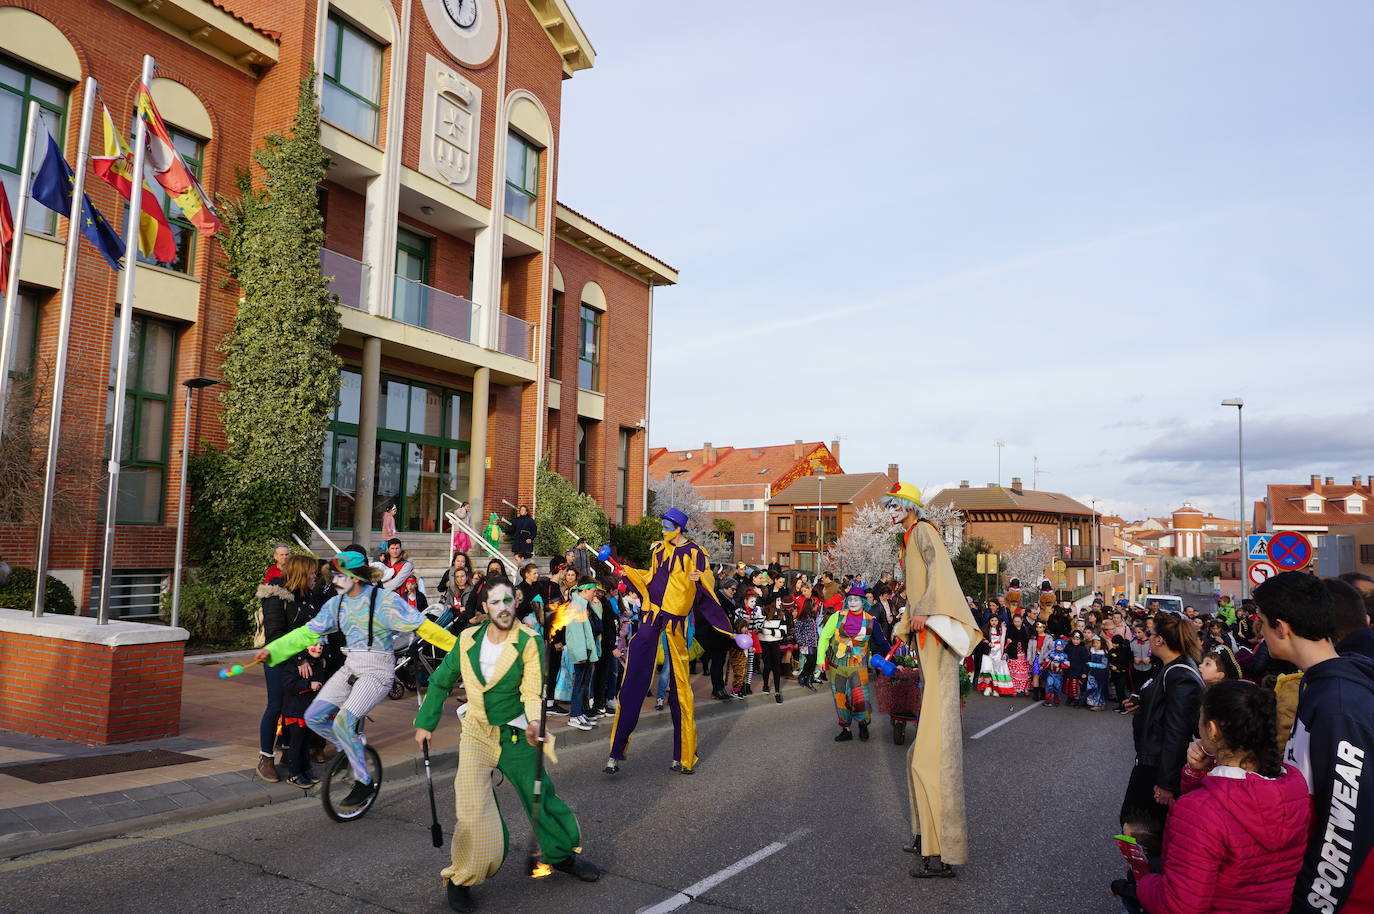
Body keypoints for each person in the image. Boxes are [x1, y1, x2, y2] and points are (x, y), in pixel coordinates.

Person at [415, 578, 599, 912]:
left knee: (540, 797)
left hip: (516, 734)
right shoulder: (467, 639)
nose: (503, 608)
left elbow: (532, 690)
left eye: (509, 601)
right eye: (495, 602)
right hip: (476, 734)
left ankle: (560, 856)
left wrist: (534, 722)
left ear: (516, 603)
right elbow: (441, 680)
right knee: (470, 812)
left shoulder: (529, 641)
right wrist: (425, 723)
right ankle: (461, 877)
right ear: (484, 607)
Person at [254, 550, 457, 807]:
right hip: (351, 666)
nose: (333, 582)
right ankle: (352, 750)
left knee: (342, 723)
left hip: (377, 671)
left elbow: (424, 627)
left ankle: (364, 781)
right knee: (313, 716)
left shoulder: (385, 601)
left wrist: (462, 648)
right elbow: (306, 633)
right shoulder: (336, 604)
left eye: (338, 576)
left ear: (355, 577)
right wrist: (274, 650)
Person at [1113, 680, 1310, 914]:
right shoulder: (1294, 785)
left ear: (1213, 729)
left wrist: (1142, 884)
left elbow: (1181, 905)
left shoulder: (1200, 810)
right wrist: (1196, 774)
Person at [1254, 571, 1374, 914]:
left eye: (1262, 624)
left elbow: (1344, 817)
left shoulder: (1337, 703)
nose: (1260, 635)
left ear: (1281, 627)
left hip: (1344, 896)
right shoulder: (1318, 684)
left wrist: (1312, 902)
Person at [886, 482, 981, 879]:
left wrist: (922, 611)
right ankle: (924, 833)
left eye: (894, 504)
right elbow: (920, 589)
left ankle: (940, 848)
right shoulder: (908, 538)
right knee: (917, 754)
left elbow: (939, 575)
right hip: (925, 640)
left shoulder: (923, 531)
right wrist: (904, 624)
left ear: (909, 506)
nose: (889, 510)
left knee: (933, 753)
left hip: (936, 642)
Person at [599, 508, 737, 775]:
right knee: (632, 683)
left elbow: (707, 580)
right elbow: (651, 577)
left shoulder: (695, 552)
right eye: (662, 525)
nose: (663, 529)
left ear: (679, 527)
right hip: (651, 618)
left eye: (667, 525)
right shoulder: (658, 550)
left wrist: (701, 579)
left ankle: (684, 756)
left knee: (681, 690)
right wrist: (626, 571)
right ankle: (615, 753)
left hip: (675, 624)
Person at [1119, 611, 1204, 828]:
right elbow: (1164, 709)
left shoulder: (1181, 674)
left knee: (1140, 828)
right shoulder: (1168, 667)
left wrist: (1166, 783)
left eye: (1151, 633)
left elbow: (1178, 731)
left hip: (1157, 766)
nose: (1147, 637)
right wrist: (1143, 706)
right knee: (1134, 824)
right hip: (1151, 759)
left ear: (1160, 639)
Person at [255, 554, 323, 782]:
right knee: (276, 706)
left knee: (293, 709)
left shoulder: (308, 595)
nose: (315, 576)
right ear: (301, 573)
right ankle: (265, 758)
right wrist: (300, 659)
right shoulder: (276, 595)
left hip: (302, 659)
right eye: (312, 572)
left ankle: (290, 753)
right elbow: (276, 634)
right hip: (279, 658)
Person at [817, 584, 892, 740]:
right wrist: (820, 659)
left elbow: (882, 643)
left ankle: (863, 725)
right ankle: (846, 729)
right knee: (840, 698)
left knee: (860, 698)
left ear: (863, 602)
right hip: (837, 666)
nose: (852, 602)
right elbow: (824, 637)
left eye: (856, 600)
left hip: (858, 667)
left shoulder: (871, 621)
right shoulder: (836, 617)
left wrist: (895, 660)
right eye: (850, 599)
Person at [279, 640, 327, 788]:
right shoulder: (294, 665)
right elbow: (288, 685)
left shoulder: (318, 663)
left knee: (306, 743)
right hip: (295, 712)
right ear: (304, 646)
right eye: (315, 645)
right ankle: (294, 774)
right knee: (297, 743)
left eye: (321, 646)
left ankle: (306, 770)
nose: (319, 648)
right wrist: (308, 685)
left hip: (308, 711)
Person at [562, 579, 602, 731]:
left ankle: (580, 714)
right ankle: (574, 715)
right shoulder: (576, 607)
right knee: (579, 684)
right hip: (581, 653)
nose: (595, 594)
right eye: (593, 592)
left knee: (584, 683)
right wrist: (581, 654)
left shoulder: (583, 605)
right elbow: (575, 634)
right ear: (585, 591)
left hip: (585, 651)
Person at [794, 582, 822, 691]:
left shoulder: (812, 617)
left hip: (814, 643)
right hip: (807, 644)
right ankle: (804, 677)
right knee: (810, 661)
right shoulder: (803, 618)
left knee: (812, 662)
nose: (816, 607)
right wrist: (801, 642)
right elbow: (797, 631)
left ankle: (808, 679)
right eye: (814, 605)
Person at [758, 600, 788, 702]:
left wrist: (770, 631)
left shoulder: (781, 614)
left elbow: (784, 631)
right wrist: (763, 630)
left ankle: (777, 692)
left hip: (775, 643)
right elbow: (758, 628)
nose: (780, 602)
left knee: (777, 667)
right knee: (767, 666)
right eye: (778, 600)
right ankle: (765, 685)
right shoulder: (763, 612)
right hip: (764, 643)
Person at [977, 615, 1013, 697]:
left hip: (999, 652)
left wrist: (1005, 652)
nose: (994, 622)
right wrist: (987, 643)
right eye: (992, 620)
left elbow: (1006, 643)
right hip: (988, 652)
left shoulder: (1002, 630)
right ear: (989, 621)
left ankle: (996, 689)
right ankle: (988, 687)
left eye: (995, 620)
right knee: (986, 669)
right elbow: (982, 640)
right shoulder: (985, 629)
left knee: (997, 671)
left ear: (998, 621)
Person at [1085, 634, 1110, 710]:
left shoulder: (1104, 653)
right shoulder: (1092, 651)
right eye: (1094, 643)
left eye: (1097, 643)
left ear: (1101, 644)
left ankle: (1099, 704)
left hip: (1101, 674)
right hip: (1092, 672)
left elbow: (1104, 665)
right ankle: (1093, 702)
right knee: (1092, 687)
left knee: (1099, 689)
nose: (1095, 644)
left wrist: (1092, 664)